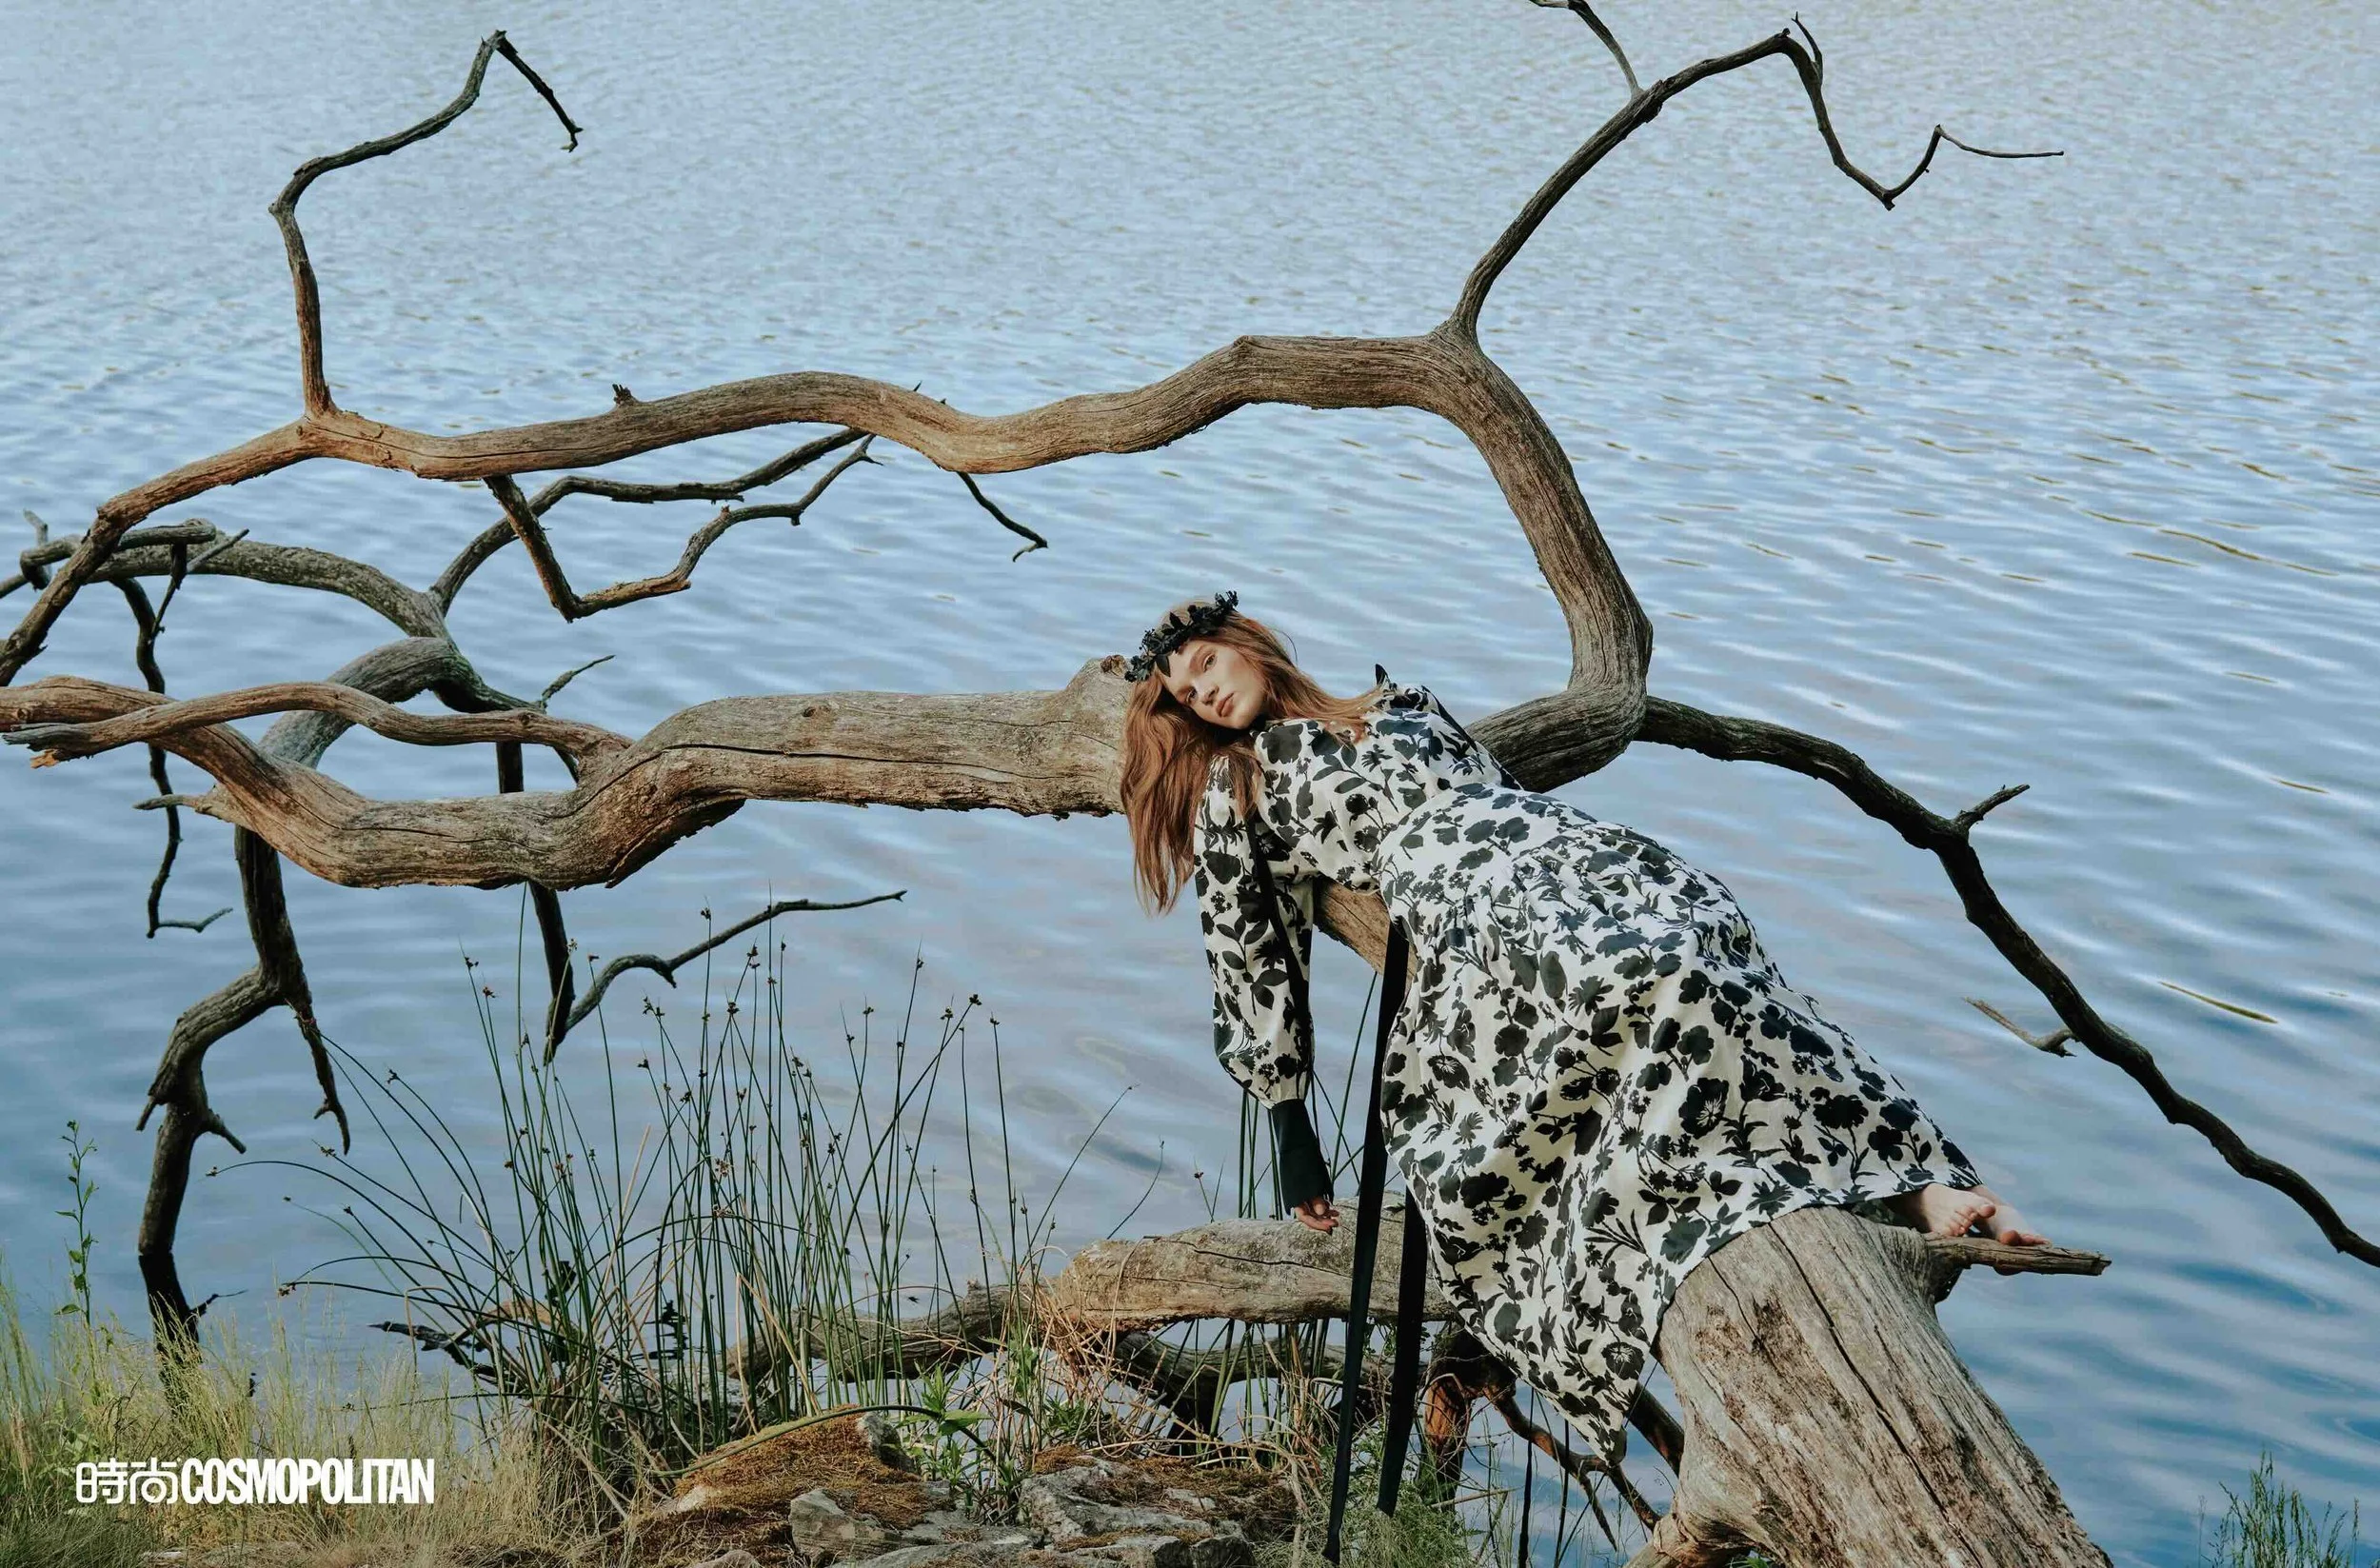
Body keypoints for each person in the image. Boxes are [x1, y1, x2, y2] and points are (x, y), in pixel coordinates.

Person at [1117, 590, 2048, 1461]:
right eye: (1188, 694)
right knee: (1658, 985)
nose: (1204, 691)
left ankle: (1919, 1181)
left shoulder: (1399, 700)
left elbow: (1488, 788)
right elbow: (1249, 949)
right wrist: (1290, 1125)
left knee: (1718, 966)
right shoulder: (1238, 790)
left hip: (1577, 855)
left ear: (1249, 645)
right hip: (1463, 898)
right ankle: (1824, 1190)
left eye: (1205, 664)